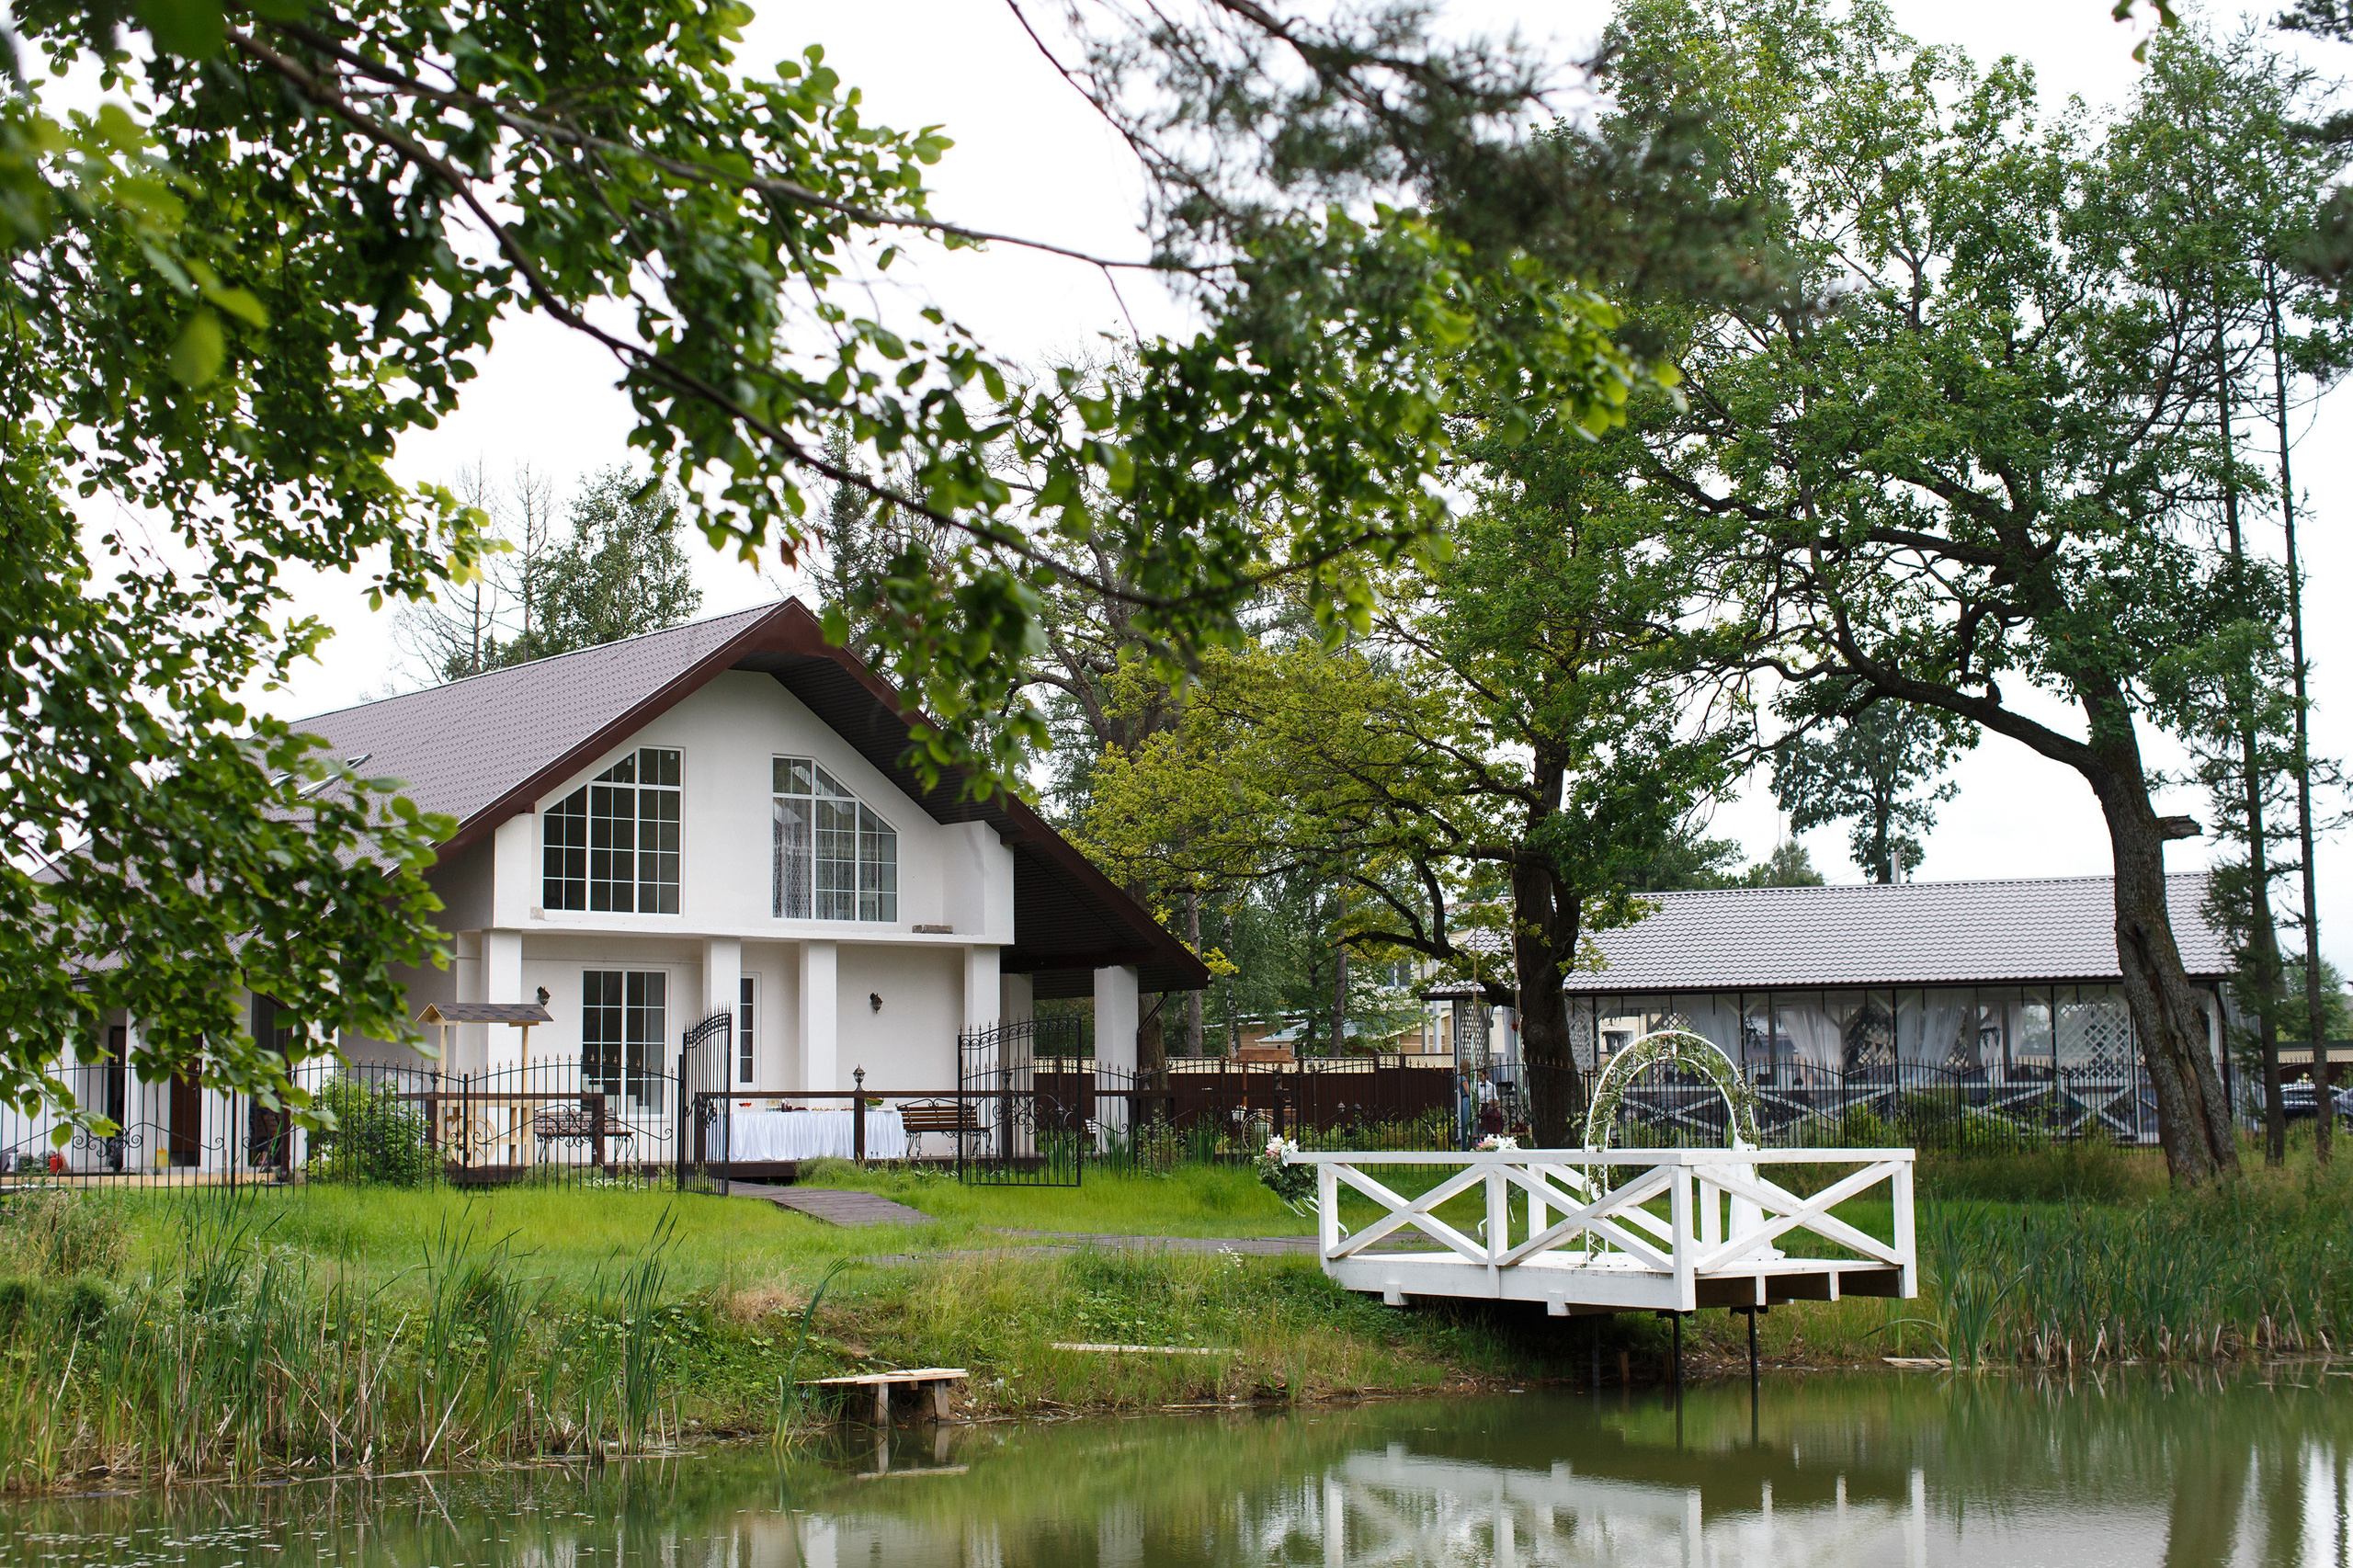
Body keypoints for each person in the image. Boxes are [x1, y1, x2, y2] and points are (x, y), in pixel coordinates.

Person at [1475, 1068, 1505, 1138]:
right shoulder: (1477, 1085)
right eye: (1478, 1076)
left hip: (1487, 1107)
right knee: (1478, 1126)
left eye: (1481, 1076)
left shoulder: (1491, 1086)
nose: (1479, 1078)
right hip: (1479, 1106)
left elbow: (1495, 1098)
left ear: (1486, 1076)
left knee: (1486, 1126)